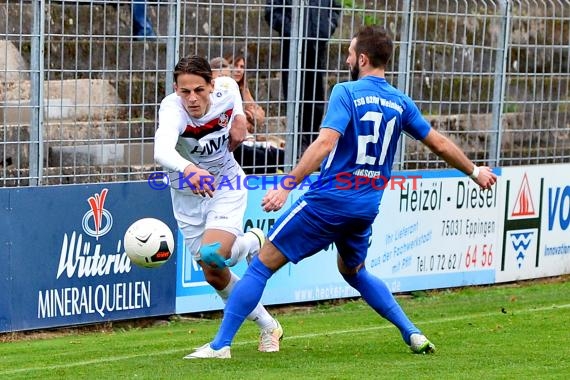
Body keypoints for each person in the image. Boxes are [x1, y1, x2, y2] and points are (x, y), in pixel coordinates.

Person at [185, 26, 498, 359]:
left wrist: (287, 184)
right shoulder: (399, 101)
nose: (347, 59)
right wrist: (475, 171)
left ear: (362, 58)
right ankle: (413, 333)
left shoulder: (346, 92)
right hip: (366, 205)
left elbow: (325, 142)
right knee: (354, 271)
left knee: (262, 265)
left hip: (330, 201)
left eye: (350, 53)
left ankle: (221, 345)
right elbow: (439, 142)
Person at [153, 55, 283, 356]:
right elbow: (161, 150)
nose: (192, 98)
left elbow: (233, 90)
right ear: (176, 89)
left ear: (211, 85)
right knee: (213, 273)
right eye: (185, 91)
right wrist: (189, 170)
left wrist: (238, 116)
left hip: (226, 185)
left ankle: (252, 242)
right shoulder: (172, 108)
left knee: (215, 253)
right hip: (186, 195)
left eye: (199, 89)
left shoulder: (225, 88)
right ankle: (268, 326)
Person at [265, 0, 342, 153]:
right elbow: (272, 12)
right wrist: (292, 30)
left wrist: (324, 29)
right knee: (294, 94)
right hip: (292, 45)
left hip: (317, 43)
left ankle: (313, 145)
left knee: (316, 98)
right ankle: (297, 144)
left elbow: (335, 8)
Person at [223, 54, 285, 174]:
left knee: (280, 152)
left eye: (242, 66)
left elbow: (259, 119)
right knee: (264, 157)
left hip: (250, 138)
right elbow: (244, 122)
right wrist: (247, 118)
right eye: (235, 66)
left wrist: (250, 119)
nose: (239, 70)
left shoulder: (243, 90)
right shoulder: (224, 93)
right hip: (236, 142)